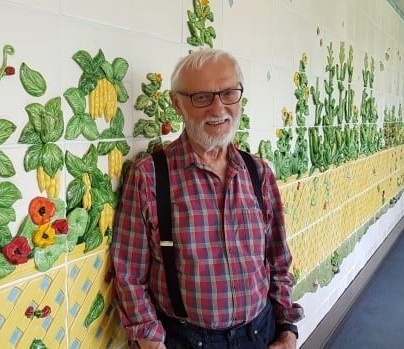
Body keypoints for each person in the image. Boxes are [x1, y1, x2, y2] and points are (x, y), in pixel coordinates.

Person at [110, 49, 303, 349]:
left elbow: (278, 261)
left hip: (260, 334)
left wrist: (287, 330)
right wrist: (151, 342)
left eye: (228, 93)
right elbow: (129, 275)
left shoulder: (258, 173)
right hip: (186, 340)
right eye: (202, 97)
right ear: (177, 104)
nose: (218, 108)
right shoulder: (150, 176)